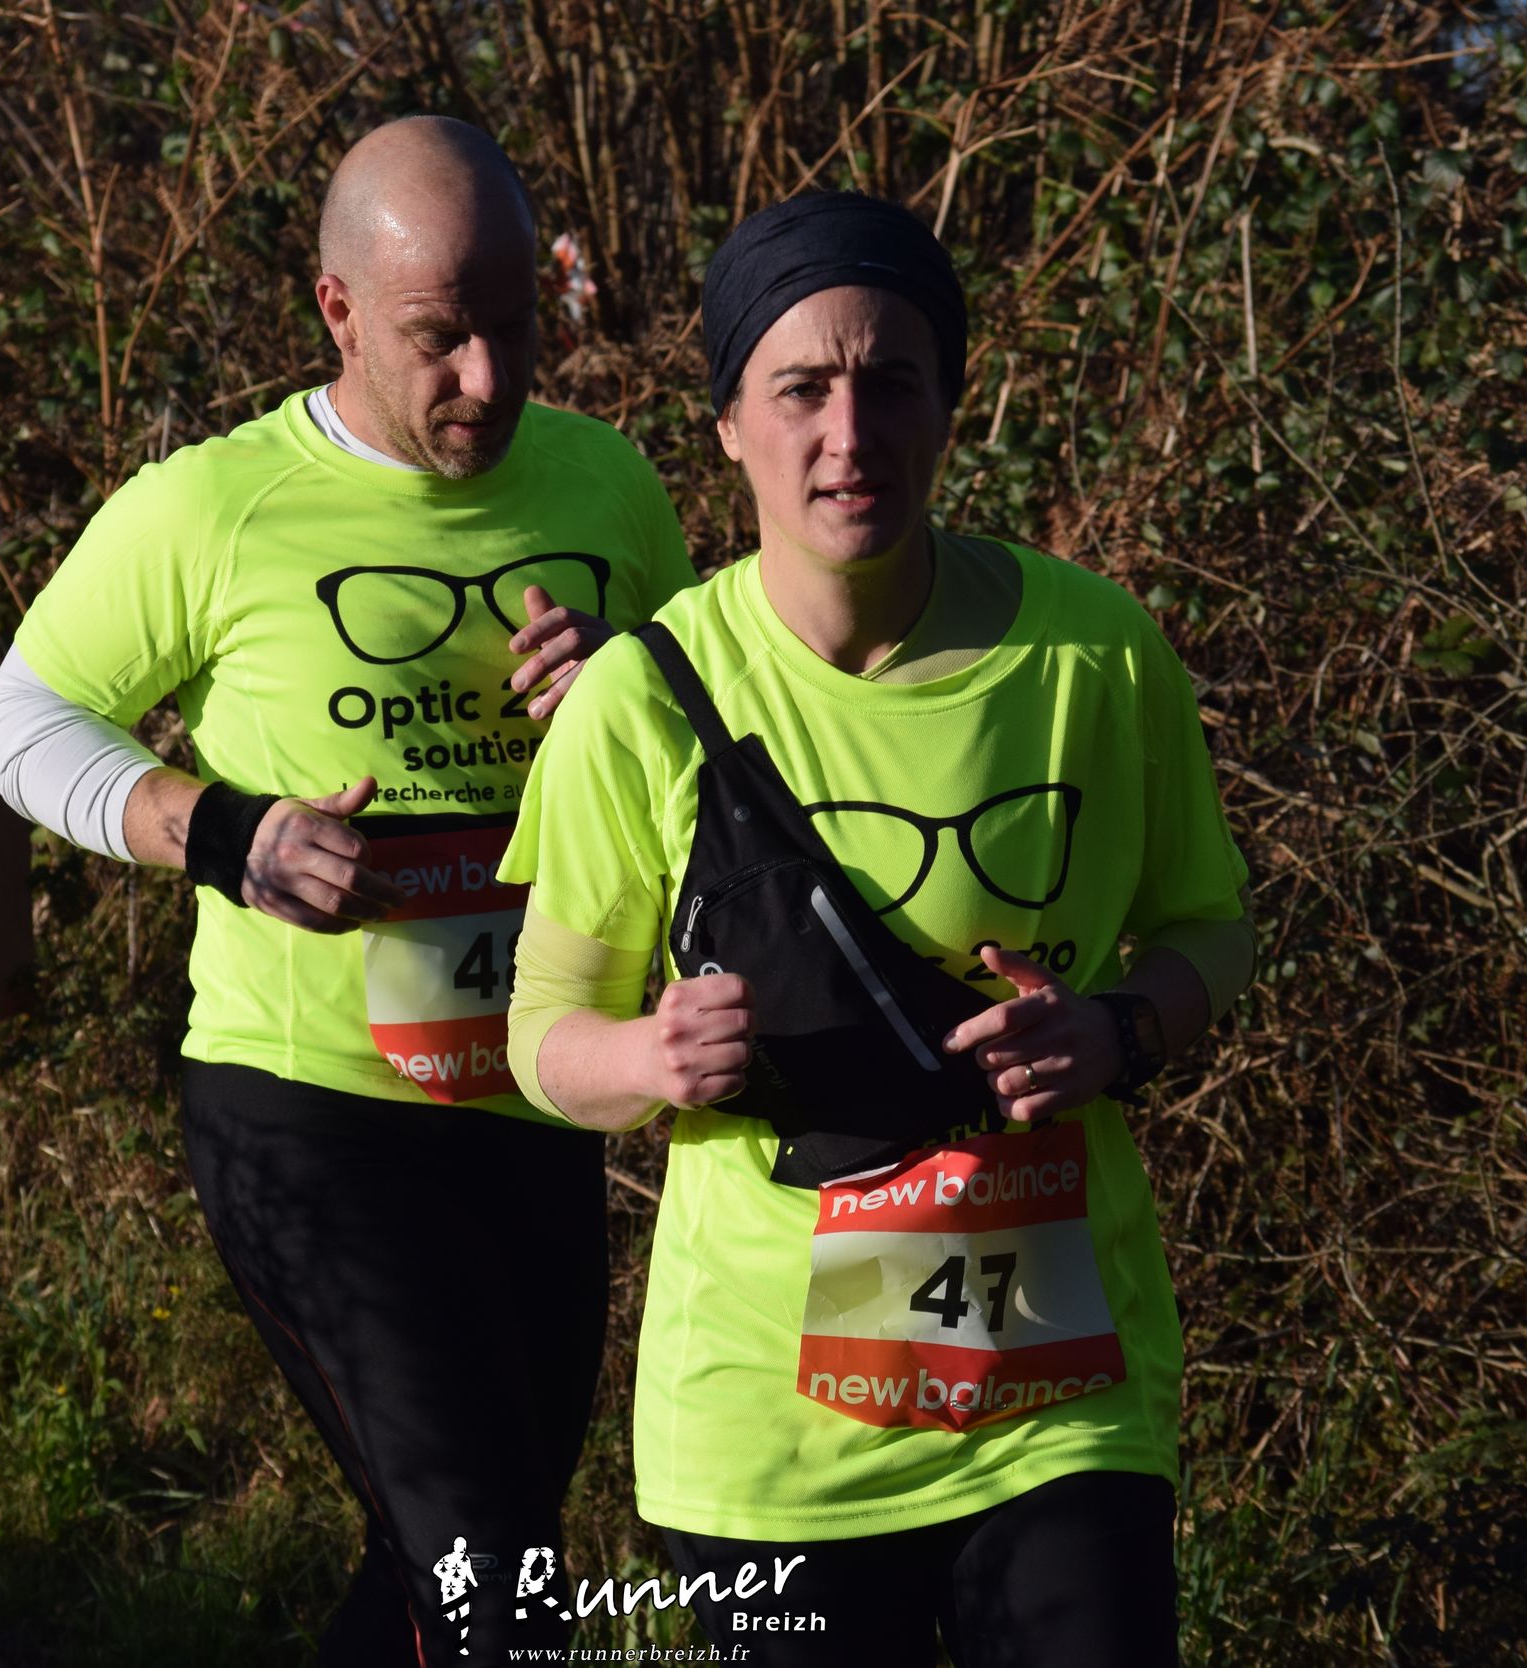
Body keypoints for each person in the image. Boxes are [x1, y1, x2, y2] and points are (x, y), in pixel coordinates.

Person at [500, 191, 1256, 1666]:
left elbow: (1211, 931)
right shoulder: (639, 701)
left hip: (1059, 1398)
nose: (850, 435)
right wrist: (647, 1058)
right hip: (772, 1434)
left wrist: (1119, 1029)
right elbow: (541, 1038)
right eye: (802, 389)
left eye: (892, 382)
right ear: (729, 425)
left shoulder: (1097, 653)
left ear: (948, 405)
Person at [0, 116, 692, 1665]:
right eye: (441, 338)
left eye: (517, 328)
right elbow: (21, 724)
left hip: (537, 1094)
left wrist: (637, 695)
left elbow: (717, 785)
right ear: (339, 310)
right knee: (498, 1583)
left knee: (463, 1550)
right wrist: (220, 832)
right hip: (311, 1113)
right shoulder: (213, 506)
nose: (488, 379)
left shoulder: (610, 485)